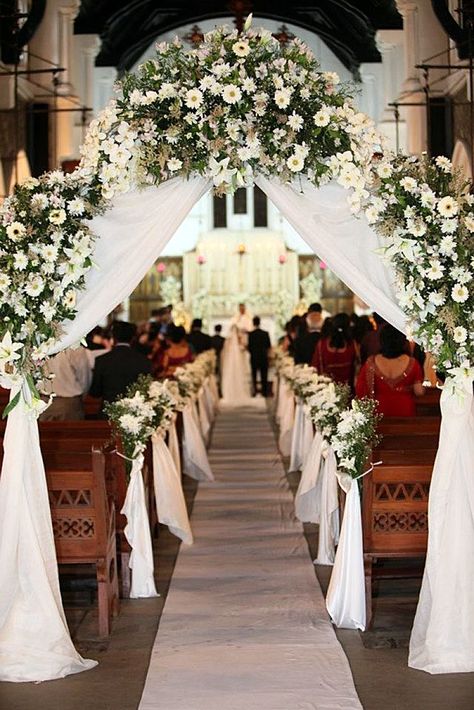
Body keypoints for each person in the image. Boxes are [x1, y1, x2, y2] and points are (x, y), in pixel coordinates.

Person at [356, 324, 424, 416]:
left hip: (379, 410)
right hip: (405, 409)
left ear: (382, 341)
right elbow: (419, 391)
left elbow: (360, 389)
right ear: (402, 341)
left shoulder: (371, 362)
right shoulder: (412, 363)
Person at [89, 320, 152, 413]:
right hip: (135, 412)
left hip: (108, 413)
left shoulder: (102, 360)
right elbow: (147, 390)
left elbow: (95, 392)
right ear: (132, 338)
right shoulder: (144, 361)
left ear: (113, 338)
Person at [40, 347, 93, 421]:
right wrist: (83, 395)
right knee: (72, 432)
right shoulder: (75, 346)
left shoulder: (40, 343)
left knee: (44, 432)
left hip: (44, 401)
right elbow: (84, 376)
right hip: (69, 402)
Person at [312, 312, 356, 389]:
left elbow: (315, 367)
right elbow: (355, 369)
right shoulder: (352, 345)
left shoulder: (322, 344)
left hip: (325, 391)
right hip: (347, 391)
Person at [248, 316, 272, 397]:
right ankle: (264, 392)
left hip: (254, 357)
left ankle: (254, 391)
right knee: (264, 376)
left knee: (254, 375)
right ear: (260, 322)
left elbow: (249, 347)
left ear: (253, 323)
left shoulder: (251, 334)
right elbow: (269, 346)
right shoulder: (265, 333)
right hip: (263, 357)